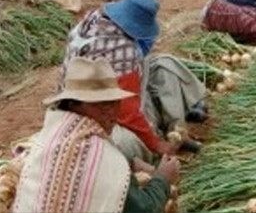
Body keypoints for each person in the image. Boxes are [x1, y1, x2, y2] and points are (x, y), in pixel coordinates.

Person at [13, 57, 180, 213]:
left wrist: (130, 163)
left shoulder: (48, 137)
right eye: (103, 105)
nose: (113, 114)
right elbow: (144, 209)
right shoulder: (100, 158)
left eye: (115, 103)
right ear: (73, 104)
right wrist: (163, 178)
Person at [61, 0, 204, 161]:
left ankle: (177, 131)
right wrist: (156, 144)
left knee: (164, 64)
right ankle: (160, 141)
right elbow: (126, 111)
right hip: (95, 114)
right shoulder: (122, 48)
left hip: (81, 98)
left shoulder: (92, 19)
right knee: (126, 143)